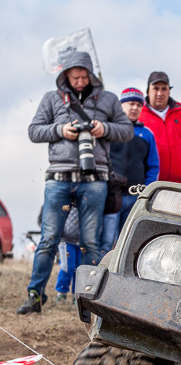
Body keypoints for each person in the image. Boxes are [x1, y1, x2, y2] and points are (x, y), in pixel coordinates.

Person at [18, 51, 133, 314]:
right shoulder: (52, 98)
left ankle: (86, 301)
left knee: (90, 242)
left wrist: (104, 129)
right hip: (58, 177)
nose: (80, 81)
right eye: (74, 76)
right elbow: (34, 130)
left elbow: (126, 130)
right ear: (65, 76)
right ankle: (34, 297)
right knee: (48, 239)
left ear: (91, 74)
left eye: (84, 76)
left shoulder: (109, 99)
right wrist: (61, 130)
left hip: (95, 179)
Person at [139, 71, 181, 186]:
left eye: (164, 89)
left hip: (180, 184)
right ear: (148, 91)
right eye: (156, 88)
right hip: (151, 184)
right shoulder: (140, 115)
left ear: (169, 91)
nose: (160, 93)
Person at [109, 87, 160, 235]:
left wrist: (146, 189)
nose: (135, 108)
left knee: (127, 239)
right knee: (107, 240)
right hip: (112, 195)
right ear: (121, 105)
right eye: (131, 104)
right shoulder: (111, 130)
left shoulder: (147, 134)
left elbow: (153, 166)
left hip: (135, 197)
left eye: (138, 105)